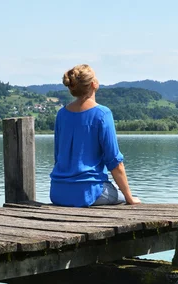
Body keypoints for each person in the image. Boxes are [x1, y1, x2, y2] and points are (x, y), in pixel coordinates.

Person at [50, 64, 140, 207]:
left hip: (57, 193)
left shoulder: (62, 114)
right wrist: (130, 198)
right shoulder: (102, 114)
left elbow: (57, 156)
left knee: (114, 190)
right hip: (89, 193)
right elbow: (115, 162)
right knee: (123, 194)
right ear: (93, 84)